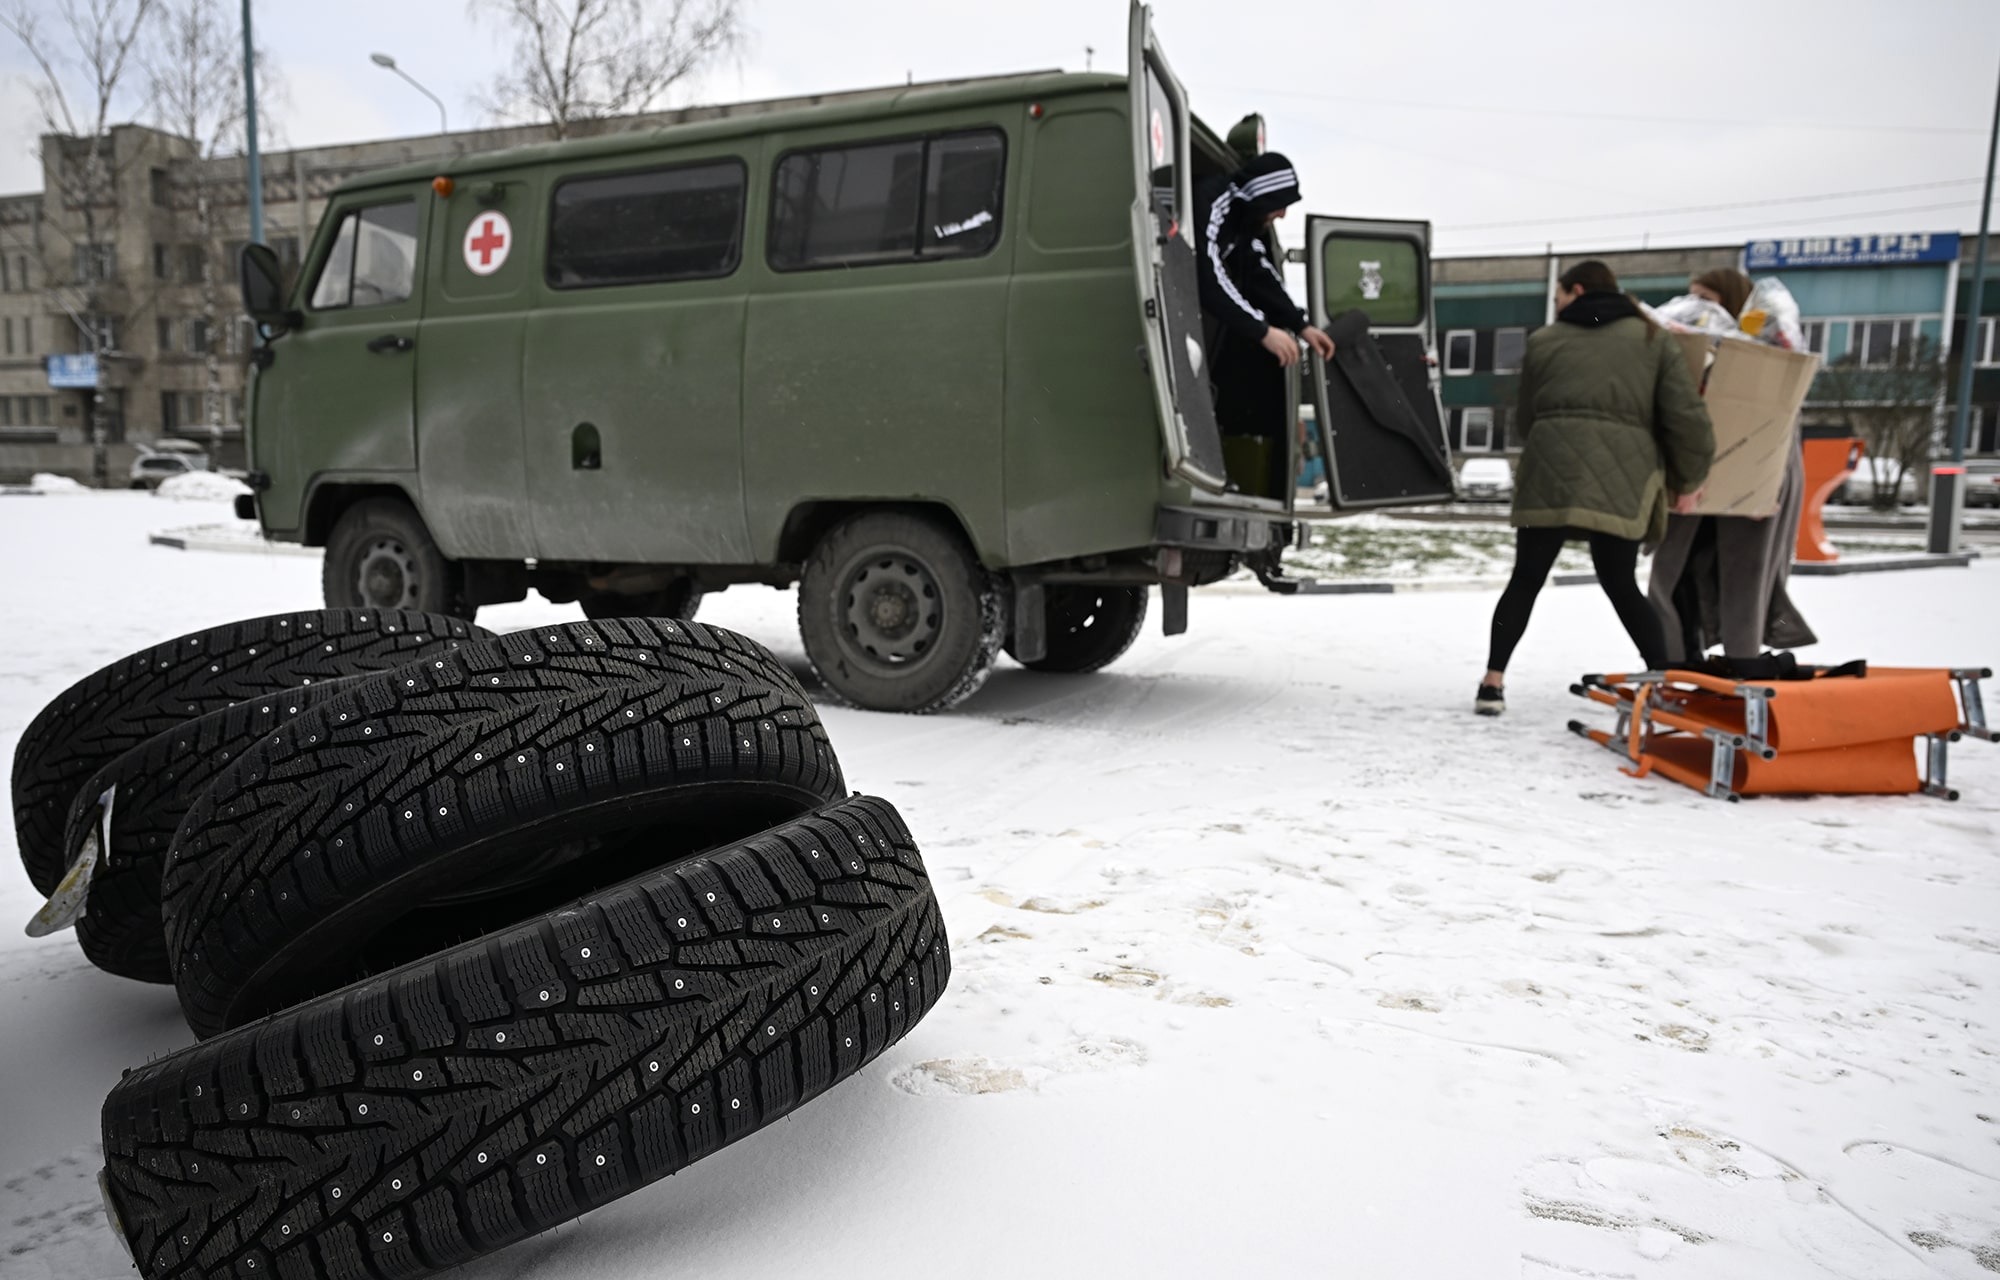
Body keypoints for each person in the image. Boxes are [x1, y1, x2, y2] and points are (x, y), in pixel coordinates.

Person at [1475, 261, 1715, 715]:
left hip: (1551, 467)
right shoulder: (1652, 339)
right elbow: (1685, 417)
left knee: (1526, 578)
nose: (1557, 304)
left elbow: (1526, 416)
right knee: (1620, 582)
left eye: (1559, 295)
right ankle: (1661, 680)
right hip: (1622, 473)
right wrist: (1689, 478)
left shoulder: (1544, 340)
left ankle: (1493, 682)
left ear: (1577, 290)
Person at [1647, 268, 1817, 670]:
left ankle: (1744, 664)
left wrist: (1768, 484)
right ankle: (1672, 658)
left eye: (1708, 298)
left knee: (1746, 574)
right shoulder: (1689, 346)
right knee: (1670, 571)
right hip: (1694, 473)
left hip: (1750, 477)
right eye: (1692, 297)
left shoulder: (1764, 347)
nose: (1698, 308)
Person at [1193, 152, 1336, 372]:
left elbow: (1259, 273)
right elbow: (1207, 277)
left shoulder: (1241, 225)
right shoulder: (1210, 202)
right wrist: (1262, 331)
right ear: (1261, 196)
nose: (1282, 215)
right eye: (1279, 205)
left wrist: (1301, 326)